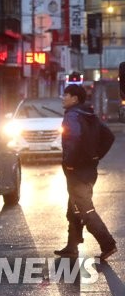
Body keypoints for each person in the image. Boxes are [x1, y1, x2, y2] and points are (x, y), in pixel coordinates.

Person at [56, 84, 117, 262]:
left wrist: (70, 163)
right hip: (89, 170)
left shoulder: (72, 116)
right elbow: (109, 136)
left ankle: (108, 244)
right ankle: (72, 246)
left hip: (77, 172)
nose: (63, 97)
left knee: (85, 209)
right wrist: (95, 156)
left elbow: (73, 139)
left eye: (66, 95)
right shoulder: (89, 114)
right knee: (73, 207)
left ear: (75, 98)